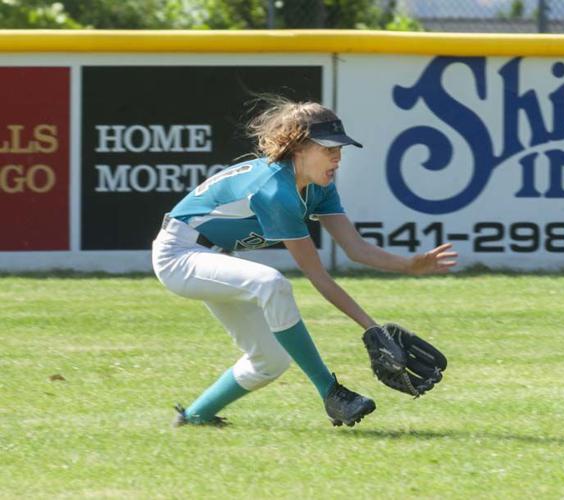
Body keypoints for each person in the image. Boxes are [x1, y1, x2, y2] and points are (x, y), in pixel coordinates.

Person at [151, 96, 458, 428]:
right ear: (298, 147)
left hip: (215, 257)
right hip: (178, 255)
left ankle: (194, 417)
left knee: (270, 361)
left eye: (341, 149)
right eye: (329, 149)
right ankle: (331, 392)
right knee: (271, 284)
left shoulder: (318, 187)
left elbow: (356, 249)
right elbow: (319, 277)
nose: (338, 157)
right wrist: (371, 327)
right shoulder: (276, 191)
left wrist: (409, 266)